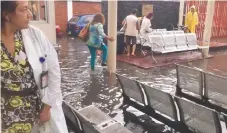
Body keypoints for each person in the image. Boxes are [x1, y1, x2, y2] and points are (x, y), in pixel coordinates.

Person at [1, 1, 68, 133]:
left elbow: (54, 72)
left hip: (37, 111)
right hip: (5, 117)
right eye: (24, 10)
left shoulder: (35, 35)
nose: (30, 15)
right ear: (6, 15)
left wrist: (47, 107)